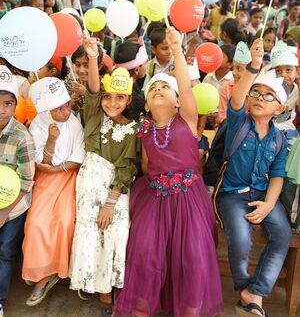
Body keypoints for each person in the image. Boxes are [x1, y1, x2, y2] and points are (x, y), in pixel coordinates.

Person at [114, 27, 223, 317]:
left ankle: (188, 309)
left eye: (165, 87)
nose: (159, 89)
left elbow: (186, 87)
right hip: (156, 197)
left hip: (189, 199)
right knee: (145, 252)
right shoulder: (145, 130)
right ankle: (140, 308)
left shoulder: (186, 120)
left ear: (176, 101)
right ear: (147, 105)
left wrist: (177, 50)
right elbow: (148, 165)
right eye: (153, 89)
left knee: (193, 255)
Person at [216, 39, 292, 317]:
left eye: (268, 96)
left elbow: (278, 175)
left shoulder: (279, 140)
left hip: (261, 197)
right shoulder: (239, 123)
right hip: (233, 196)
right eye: (256, 93)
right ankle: (246, 290)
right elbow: (236, 99)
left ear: (280, 108)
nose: (260, 98)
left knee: (282, 234)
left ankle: (256, 292)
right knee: (241, 240)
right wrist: (254, 67)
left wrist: (269, 205)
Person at [69, 34, 138, 315]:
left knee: (116, 229)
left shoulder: (133, 128)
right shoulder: (95, 112)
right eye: (109, 96)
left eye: (119, 98)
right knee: (88, 229)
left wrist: (111, 202)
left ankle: (110, 282)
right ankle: (95, 284)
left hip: (115, 188)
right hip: (89, 181)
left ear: (129, 99)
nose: (112, 102)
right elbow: (94, 89)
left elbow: (127, 167)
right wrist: (94, 56)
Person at [22, 78, 85, 306]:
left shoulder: (75, 123)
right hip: (45, 181)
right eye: (59, 108)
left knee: (64, 221)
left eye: (67, 105)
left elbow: (78, 158)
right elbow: (42, 162)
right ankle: (39, 270)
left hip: (68, 178)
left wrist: (58, 168)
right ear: (47, 111)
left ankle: (48, 275)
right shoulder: (38, 124)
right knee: (36, 224)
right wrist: (51, 139)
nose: (66, 111)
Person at [0, 67, 35, 317]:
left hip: (13, 207)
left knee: (4, 252)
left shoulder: (21, 137)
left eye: (8, 103)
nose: (2, 109)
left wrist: (4, 213)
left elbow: (26, 181)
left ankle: (0, 300)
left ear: (15, 106)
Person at [216, 41, 252, 127]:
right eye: (234, 68)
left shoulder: (255, 90)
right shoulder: (227, 88)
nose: (234, 72)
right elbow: (221, 116)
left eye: (239, 69)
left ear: (250, 72)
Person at [270, 41, 299, 147]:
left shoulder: (296, 90)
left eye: (288, 70)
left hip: (289, 131)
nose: (283, 75)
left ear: (297, 73)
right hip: (269, 129)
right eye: (278, 71)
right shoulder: (269, 90)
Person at [113, 40, 148, 120]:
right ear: (136, 70)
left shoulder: (116, 82)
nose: (148, 64)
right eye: (146, 62)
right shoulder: (135, 99)